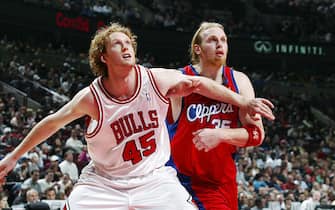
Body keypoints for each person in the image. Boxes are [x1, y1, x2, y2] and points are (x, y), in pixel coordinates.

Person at [0, 22, 274, 210]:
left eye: (128, 41)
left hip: (153, 178)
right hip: (104, 181)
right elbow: (52, 122)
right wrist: (13, 156)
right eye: (117, 43)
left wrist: (242, 101)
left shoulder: (154, 78)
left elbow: (199, 84)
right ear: (103, 56)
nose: (126, 46)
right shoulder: (91, 97)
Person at [166, 22, 275, 210]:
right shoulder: (181, 79)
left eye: (223, 40)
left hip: (222, 181)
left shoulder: (239, 81)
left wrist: (222, 134)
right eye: (213, 40)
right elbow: (199, 86)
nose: (220, 44)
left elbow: (257, 135)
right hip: (184, 180)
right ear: (197, 49)